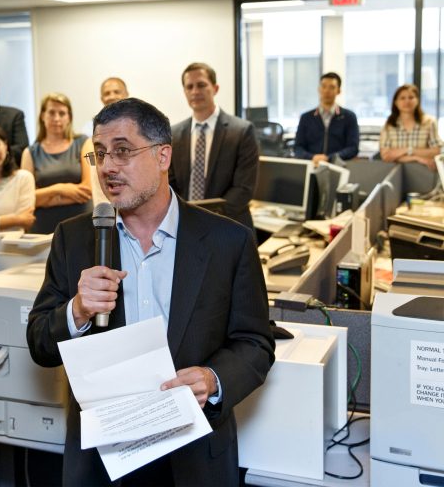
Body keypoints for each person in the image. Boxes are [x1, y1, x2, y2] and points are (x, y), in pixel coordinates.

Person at [27, 98, 275, 487]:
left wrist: (213, 379)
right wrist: (75, 311)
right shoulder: (74, 238)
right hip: (102, 460)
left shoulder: (229, 242)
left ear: (163, 157)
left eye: (123, 151)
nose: (108, 166)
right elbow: (39, 343)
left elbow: (255, 343)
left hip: (193, 457)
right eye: (100, 153)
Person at [170, 62, 258, 229]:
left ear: (215, 88)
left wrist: (204, 218)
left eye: (201, 85)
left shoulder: (242, 131)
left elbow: (243, 188)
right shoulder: (174, 135)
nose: (195, 91)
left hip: (229, 227)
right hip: (185, 226)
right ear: (184, 92)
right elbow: (170, 185)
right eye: (189, 87)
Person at [21, 93, 93, 234]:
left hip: (81, 224)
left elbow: (87, 189)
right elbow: (27, 199)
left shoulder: (86, 144)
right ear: (42, 116)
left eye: (62, 113)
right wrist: (59, 189)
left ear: (69, 117)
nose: (57, 118)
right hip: (43, 229)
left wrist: (45, 198)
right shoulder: (29, 153)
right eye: (51, 112)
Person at [294, 72, 359, 165]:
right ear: (319, 89)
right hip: (311, 167)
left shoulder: (349, 117)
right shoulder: (306, 118)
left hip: (338, 167)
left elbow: (353, 148)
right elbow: (298, 148)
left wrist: (329, 158)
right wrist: (313, 157)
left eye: (332, 87)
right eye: (323, 86)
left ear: (338, 91)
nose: (327, 91)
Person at [379, 84, 442, 170]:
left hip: (425, 171)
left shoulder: (429, 122)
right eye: (402, 98)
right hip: (396, 172)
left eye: (411, 97)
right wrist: (416, 157)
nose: (407, 101)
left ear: (417, 100)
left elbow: (436, 151)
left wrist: (401, 152)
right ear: (396, 102)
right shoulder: (389, 125)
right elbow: (386, 156)